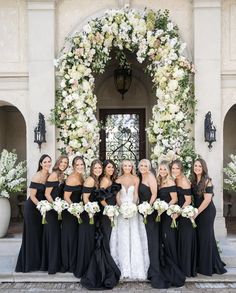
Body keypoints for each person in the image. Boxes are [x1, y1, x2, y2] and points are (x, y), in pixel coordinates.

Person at [80, 159, 121, 290]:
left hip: (104, 212)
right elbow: (100, 198)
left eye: (112, 167)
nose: (110, 169)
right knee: (105, 239)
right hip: (104, 213)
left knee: (106, 238)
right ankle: (104, 269)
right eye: (107, 167)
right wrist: (109, 209)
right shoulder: (100, 180)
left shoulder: (102, 179)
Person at [110, 160, 149, 280]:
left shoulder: (136, 179)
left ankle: (135, 268)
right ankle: (122, 267)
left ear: (132, 167)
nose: (127, 167)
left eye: (129, 165)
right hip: (121, 211)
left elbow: (136, 194)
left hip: (133, 210)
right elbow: (117, 196)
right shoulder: (117, 180)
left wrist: (132, 206)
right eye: (125, 165)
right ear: (122, 167)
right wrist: (122, 207)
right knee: (122, 238)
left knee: (134, 237)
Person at [15, 154, 52, 272]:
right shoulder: (37, 176)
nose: (47, 164)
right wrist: (42, 206)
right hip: (32, 208)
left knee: (40, 235)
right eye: (45, 162)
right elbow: (32, 196)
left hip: (43, 209)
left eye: (49, 162)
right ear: (41, 164)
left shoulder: (50, 175)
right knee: (32, 236)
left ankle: (39, 263)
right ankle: (29, 264)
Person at [191, 158, 227, 276]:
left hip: (206, 212)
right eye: (195, 166)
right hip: (198, 211)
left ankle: (207, 267)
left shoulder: (207, 181)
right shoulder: (193, 180)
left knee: (205, 237)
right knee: (203, 237)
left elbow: (207, 200)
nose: (197, 168)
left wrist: (196, 212)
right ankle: (209, 262)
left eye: (199, 166)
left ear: (203, 168)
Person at [156, 161, 185, 286]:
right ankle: (166, 265)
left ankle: (174, 267)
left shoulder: (170, 181)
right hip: (160, 215)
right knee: (163, 239)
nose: (162, 171)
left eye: (164, 169)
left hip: (168, 215)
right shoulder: (159, 182)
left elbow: (175, 199)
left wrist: (164, 207)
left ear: (168, 171)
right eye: (160, 169)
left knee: (169, 239)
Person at [74, 159, 103, 278]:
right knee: (86, 241)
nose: (98, 170)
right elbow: (84, 197)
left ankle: (88, 267)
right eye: (95, 168)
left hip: (93, 214)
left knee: (90, 241)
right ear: (91, 169)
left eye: (99, 168)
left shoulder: (97, 180)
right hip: (88, 215)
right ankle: (83, 269)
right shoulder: (90, 180)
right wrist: (90, 209)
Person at [40, 155, 69, 274]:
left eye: (66, 163)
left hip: (58, 210)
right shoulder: (54, 175)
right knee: (52, 238)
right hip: (52, 211)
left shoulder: (61, 175)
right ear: (58, 163)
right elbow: (47, 194)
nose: (63, 164)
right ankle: (51, 267)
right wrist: (56, 205)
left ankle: (55, 264)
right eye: (62, 162)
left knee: (56, 238)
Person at [171, 159, 197, 277]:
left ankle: (187, 270)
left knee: (186, 241)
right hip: (179, 214)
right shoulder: (175, 179)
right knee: (181, 241)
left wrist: (178, 213)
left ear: (181, 169)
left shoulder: (184, 181)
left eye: (177, 168)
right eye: (173, 168)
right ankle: (181, 267)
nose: (175, 170)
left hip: (185, 214)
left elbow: (188, 201)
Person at [61, 156, 85, 273]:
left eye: (81, 164)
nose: (80, 167)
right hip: (70, 212)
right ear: (73, 166)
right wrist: (74, 209)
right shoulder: (72, 178)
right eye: (77, 165)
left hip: (77, 211)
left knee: (74, 237)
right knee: (69, 237)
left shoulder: (80, 176)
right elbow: (66, 197)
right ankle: (68, 263)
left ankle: (73, 261)